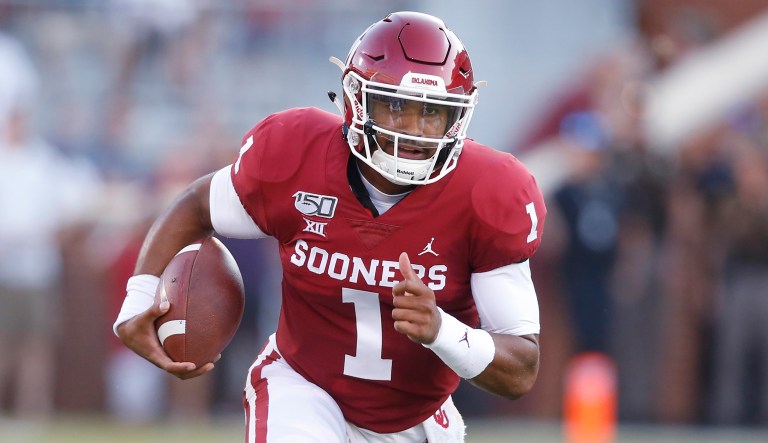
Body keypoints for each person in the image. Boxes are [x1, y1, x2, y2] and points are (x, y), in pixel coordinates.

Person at [114, 11, 546, 442]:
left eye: (432, 112)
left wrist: (441, 330)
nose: (414, 131)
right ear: (357, 100)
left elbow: (520, 371)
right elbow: (197, 206)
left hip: (416, 417)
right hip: (301, 386)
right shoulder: (296, 154)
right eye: (396, 106)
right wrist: (137, 298)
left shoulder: (488, 192)